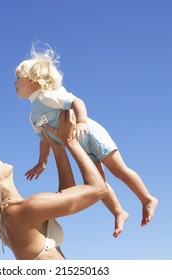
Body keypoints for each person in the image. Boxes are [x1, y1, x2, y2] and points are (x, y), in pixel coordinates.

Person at [15, 43, 158, 229]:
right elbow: (45, 139)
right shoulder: (32, 116)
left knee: (118, 170)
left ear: (33, 81)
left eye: (18, 78)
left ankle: (147, 199)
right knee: (99, 183)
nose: (14, 83)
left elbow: (76, 102)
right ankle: (119, 212)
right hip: (80, 147)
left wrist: (81, 122)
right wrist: (42, 162)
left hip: (90, 134)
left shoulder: (47, 97)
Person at [0, 111, 108, 260]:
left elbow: (67, 194)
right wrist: (70, 141)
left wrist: (58, 147)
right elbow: (99, 189)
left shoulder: (0, 224)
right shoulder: (27, 208)